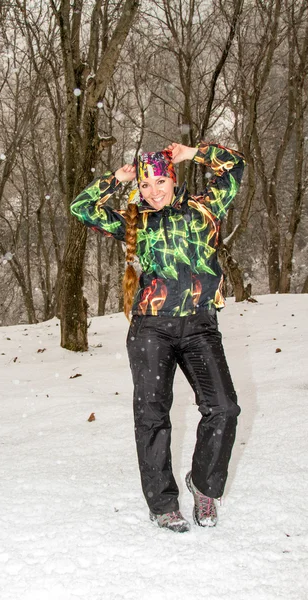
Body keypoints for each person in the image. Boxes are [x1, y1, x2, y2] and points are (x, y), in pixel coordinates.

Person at [70, 141, 246, 532]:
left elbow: (234, 167)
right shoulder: (134, 220)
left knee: (224, 408)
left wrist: (192, 153)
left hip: (200, 325)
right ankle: (163, 503)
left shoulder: (205, 207)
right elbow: (81, 208)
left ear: (173, 178)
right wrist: (117, 180)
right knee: (152, 416)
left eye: (160, 181)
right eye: (146, 184)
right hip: (152, 327)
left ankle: (204, 486)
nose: (153, 191)